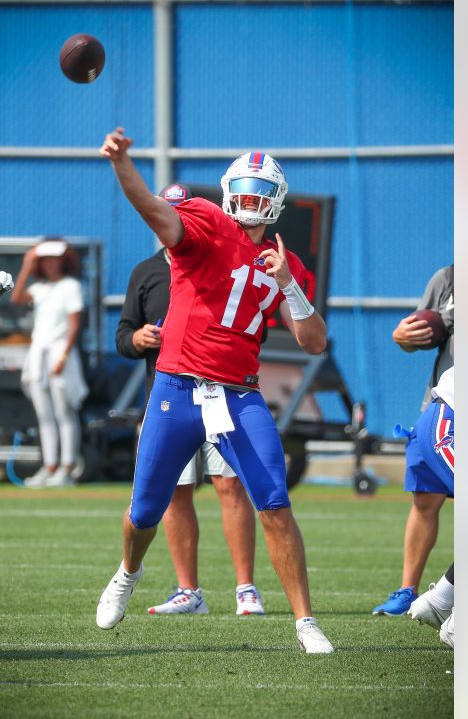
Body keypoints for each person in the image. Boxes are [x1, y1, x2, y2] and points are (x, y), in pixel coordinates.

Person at [94, 129, 334, 653]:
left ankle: (306, 622)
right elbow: (154, 211)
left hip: (239, 395)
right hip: (177, 387)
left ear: (276, 201)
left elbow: (314, 342)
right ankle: (128, 572)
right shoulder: (204, 221)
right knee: (145, 510)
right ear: (228, 190)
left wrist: (288, 283)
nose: (250, 199)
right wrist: (122, 165)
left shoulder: (284, 261)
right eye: (243, 188)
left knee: (274, 501)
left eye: (260, 191)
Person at [115, 184, 266, 617]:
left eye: (182, 209)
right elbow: (122, 333)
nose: (178, 217)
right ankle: (189, 590)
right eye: (171, 209)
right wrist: (138, 338)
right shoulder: (146, 271)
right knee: (173, 493)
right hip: (171, 396)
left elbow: (252, 324)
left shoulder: (224, 257)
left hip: (223, 393)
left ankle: (245, 588)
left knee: (231, 484)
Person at [371, 265, 455, 615]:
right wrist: (403, 336)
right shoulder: (449, 277)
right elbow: (421, 332)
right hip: (442, 404)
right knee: (424, 499)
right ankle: (408, 589)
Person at [10, 240, 88, 488]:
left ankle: (66, 468)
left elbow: (74, 324)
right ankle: (50, 465)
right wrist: (26, 264)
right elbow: (17, 297)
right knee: (44, 416)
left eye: (54, 259)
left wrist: (63, 356)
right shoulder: (40, 288)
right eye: (45, 260)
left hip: (60, 355)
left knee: (65, 412)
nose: (50, 264)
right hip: (38, 357)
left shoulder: (71, 286)